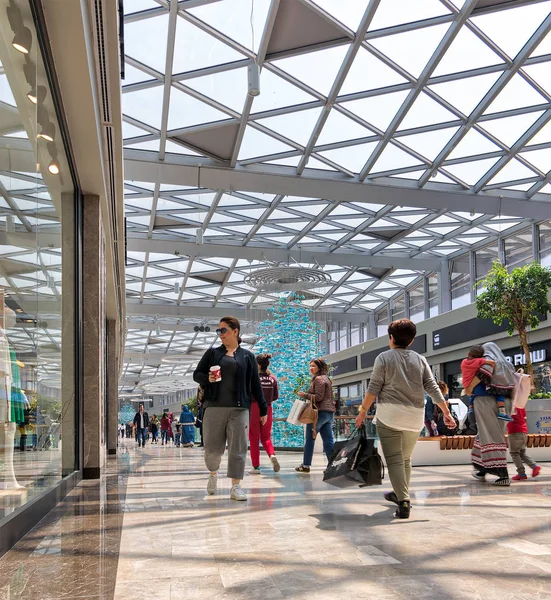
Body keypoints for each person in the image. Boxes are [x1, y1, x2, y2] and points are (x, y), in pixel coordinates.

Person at [355, 319, 455, 519]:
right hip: (414, 416)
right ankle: (401, 492)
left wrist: (362, 411)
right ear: (411, 340)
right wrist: (446, 411)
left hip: (389, 415)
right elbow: (432, 387)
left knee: (394, 460)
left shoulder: (383, 358)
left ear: (391, 338)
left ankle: (403, 501)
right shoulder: (420, 359)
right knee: (405, 459)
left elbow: (373, 388)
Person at [194, 316, 267, 502]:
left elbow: (255, 384)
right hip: (214, 407)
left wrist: (263, 408)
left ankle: (236, 486)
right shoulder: (212, 353)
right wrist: (207, 379)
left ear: (236, 331)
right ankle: (212, 474)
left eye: (223, 330)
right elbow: (197, 374)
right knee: (212, 449)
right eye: (218, 331)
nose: (220, 334)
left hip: (240, 409)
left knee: (238, 448)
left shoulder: (247, 356)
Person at [471, 341, 515, 487]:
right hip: (505, 403)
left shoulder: (489, 360)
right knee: (487, 434)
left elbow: (483, 376)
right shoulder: (508, 365)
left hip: (486, 402)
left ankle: (502, 474)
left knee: (492, 436)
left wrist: (468, 387)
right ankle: (481, 469)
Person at [295, 358, 335, 473]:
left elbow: (318, 397)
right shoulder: (327, 379)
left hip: (318, 413)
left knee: (310, 439)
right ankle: (332, 465)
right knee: (328, 440)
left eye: (313, 366)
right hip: (329, 413)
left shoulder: (318, 379)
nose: (311, 368)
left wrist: (305, 395)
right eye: (310, 366)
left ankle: (306, 465)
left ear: (319, 368)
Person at [461, 345, 512, 421]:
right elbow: (493, 363)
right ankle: (502, 412)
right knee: (498, 393)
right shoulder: (479, 361)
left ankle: (471, 407)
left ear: (468, 354)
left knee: (474, 394)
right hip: (477, 387)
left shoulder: (464, 362)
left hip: (466, 385)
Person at [249, 353, 280, 474]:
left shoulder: (253, 377)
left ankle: (256, 467)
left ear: (257, 364)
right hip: (268, 408)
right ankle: (272, 455)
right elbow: (276, 396)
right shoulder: (273, 378)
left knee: (254, 438)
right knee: (266, 437)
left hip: (254, 407)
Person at [507, 407, 541, 481]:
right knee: (522, 452)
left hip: (514, 431)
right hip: (523, 431)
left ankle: (521, 473)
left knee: (514, 453)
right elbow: (524, 417)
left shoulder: (510, 405)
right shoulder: (521, 406)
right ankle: (534, 466)